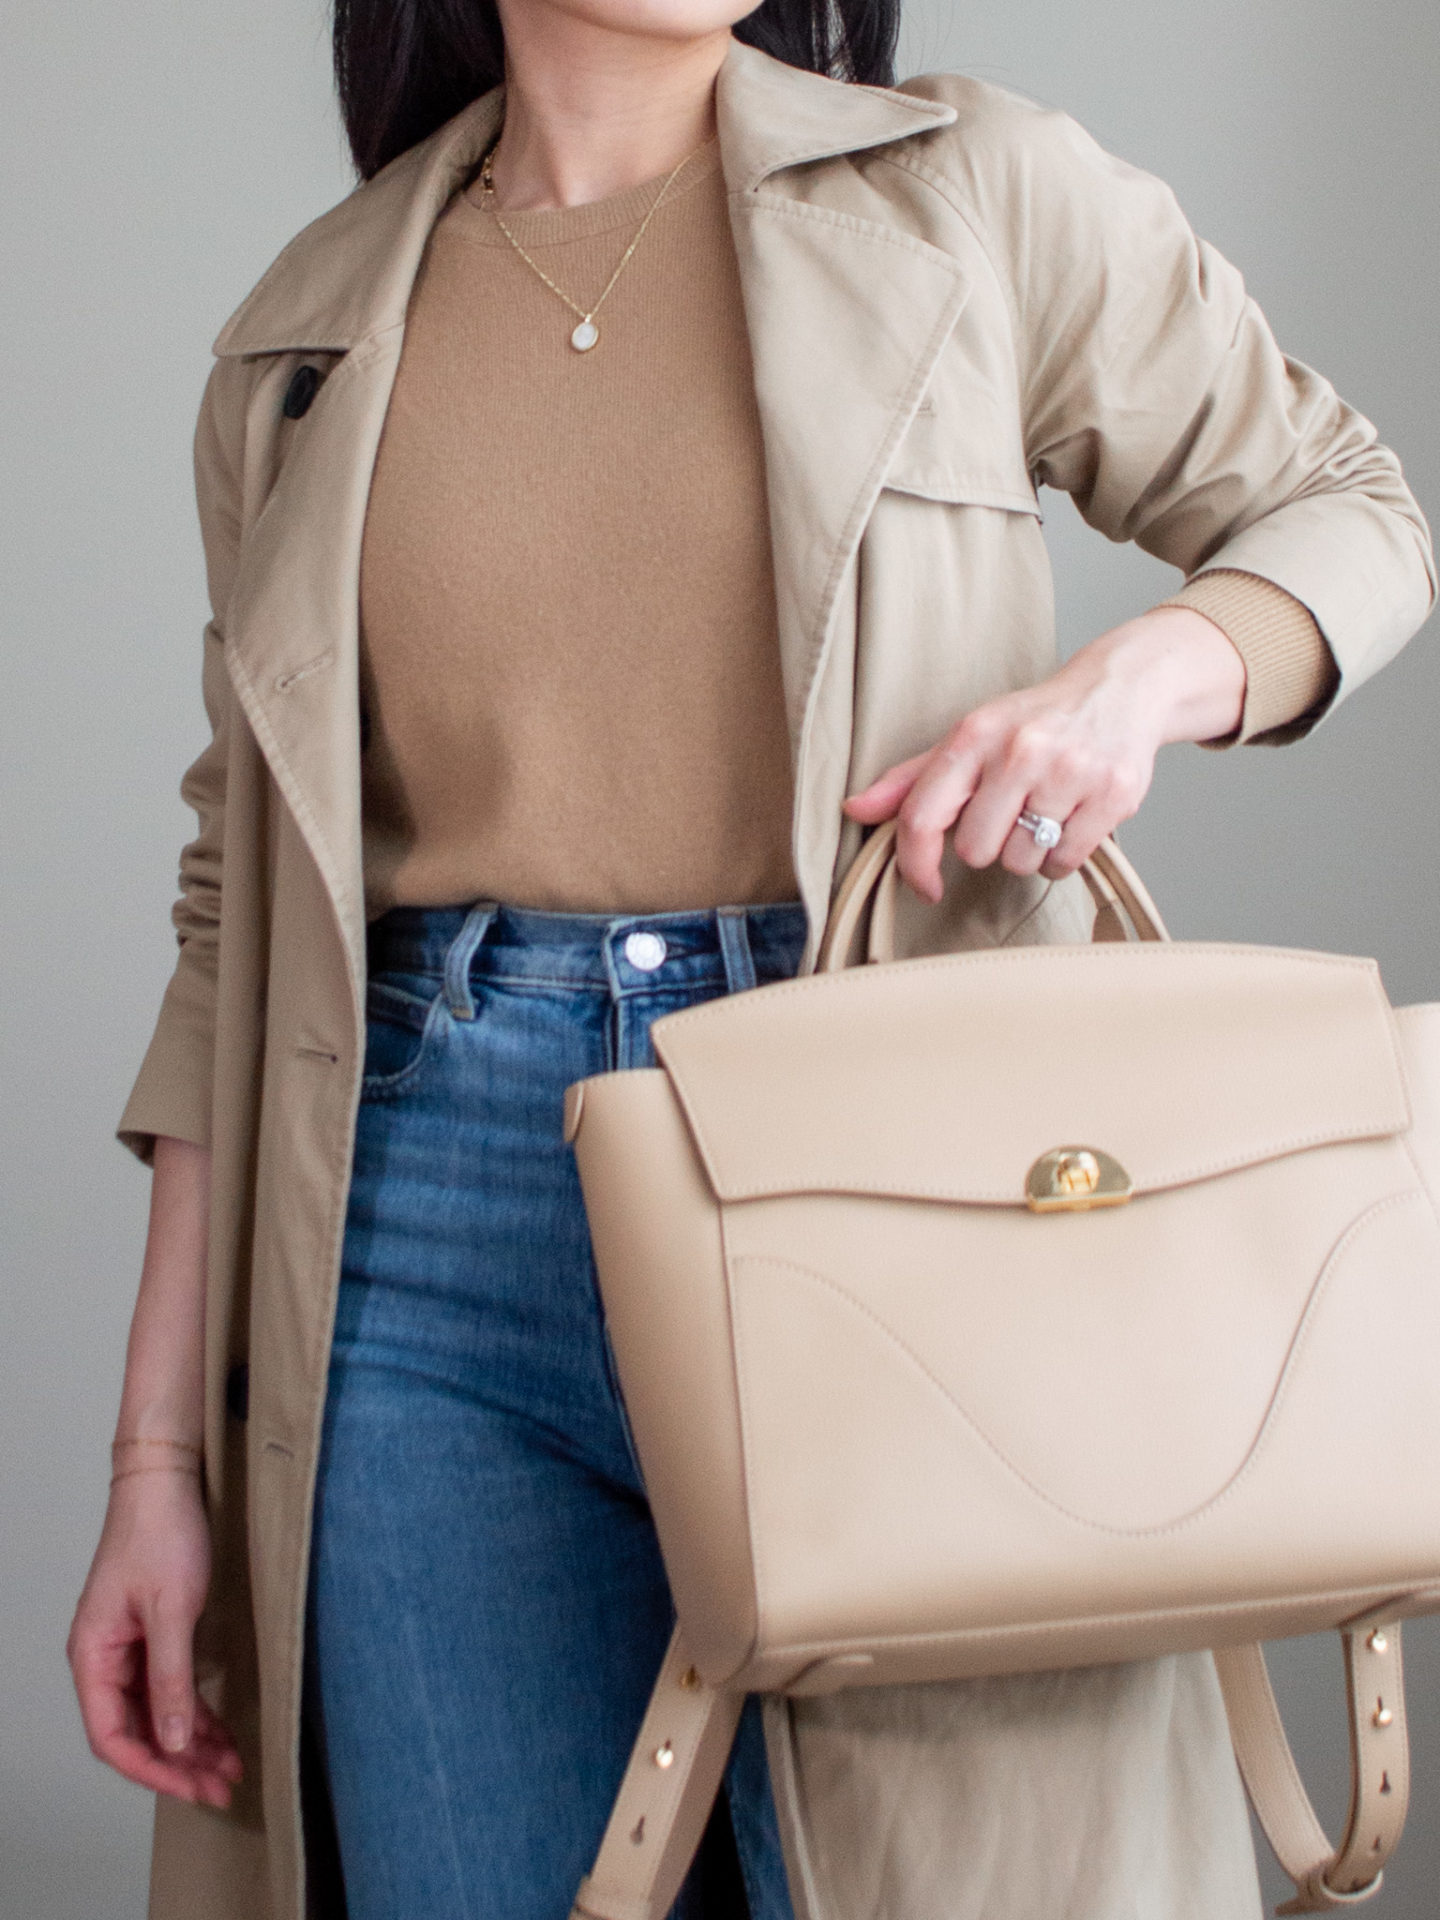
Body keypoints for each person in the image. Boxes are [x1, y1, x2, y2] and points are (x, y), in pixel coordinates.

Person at [66, 1, 1434, 1917]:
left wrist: (1145, 682)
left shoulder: (974, 190)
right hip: (423, 1244)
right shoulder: (306, 333)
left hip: (899, 1191)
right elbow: (240, 910)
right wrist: (154, 1465)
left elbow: (1355, 512)